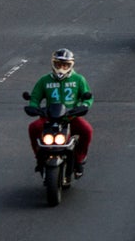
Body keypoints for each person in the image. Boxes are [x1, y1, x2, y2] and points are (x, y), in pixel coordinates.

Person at [26, 48, 94, 176]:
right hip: (49, 117)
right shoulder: (44, 80)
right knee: (33, 128)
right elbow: (35, 97)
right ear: (53, 64)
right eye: (58, 64)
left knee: (87, 130)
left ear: (71, 65)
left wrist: (83, 105)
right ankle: (39, 158)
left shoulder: (79, 79)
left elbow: (88, 96)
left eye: (65, 65)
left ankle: (79, 160)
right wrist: (33, 107)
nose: (62, 67)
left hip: (71, 117)